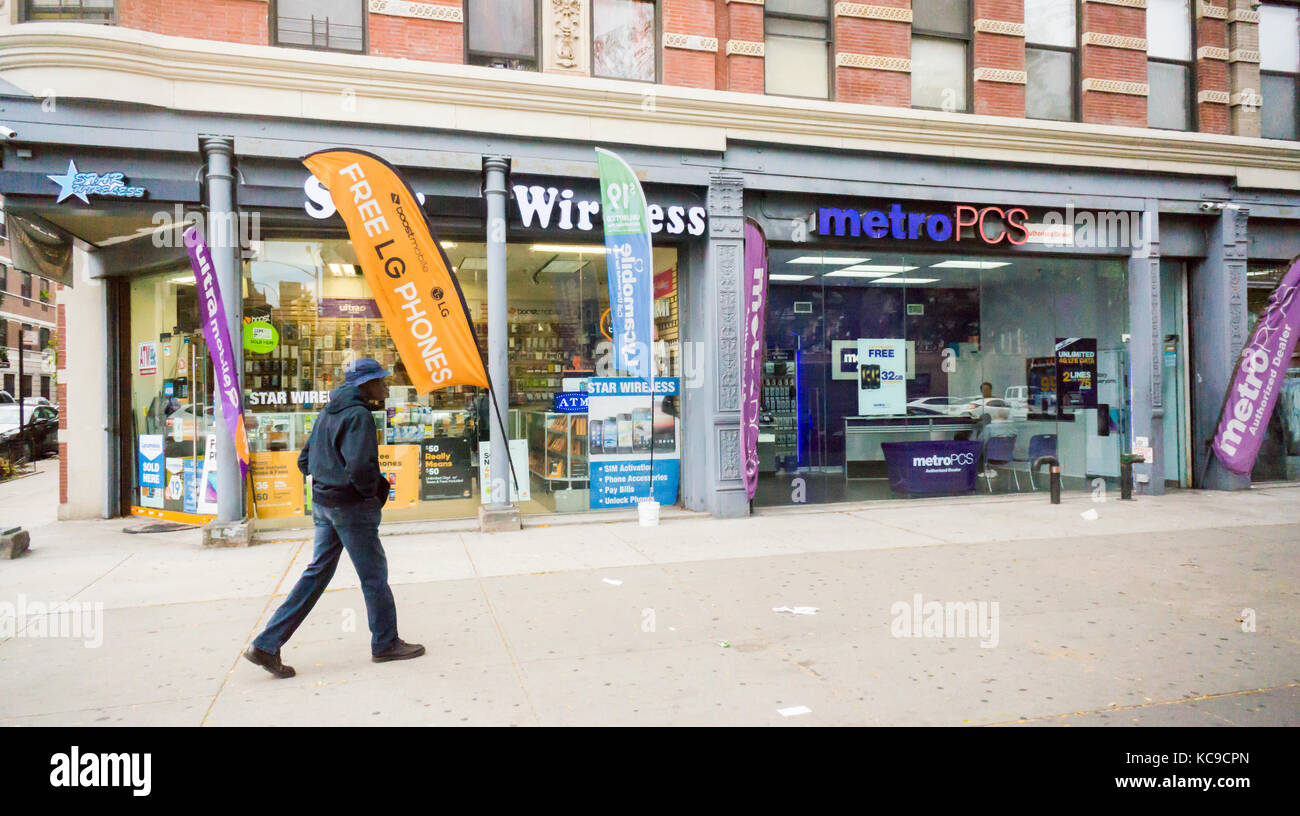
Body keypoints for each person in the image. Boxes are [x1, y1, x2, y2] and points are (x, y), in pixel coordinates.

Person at [244, 357, 424, 678]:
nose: (385, 385)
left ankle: (266, 643)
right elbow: (360, 468)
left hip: (325, 504)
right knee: (373, 576)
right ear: (364, 385)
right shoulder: (359, 416)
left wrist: (329, 478)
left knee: (316, 574)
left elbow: (304, 461)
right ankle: (385, 642)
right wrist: (374, 493)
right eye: (380, 380)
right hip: (351, 507)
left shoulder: (328, 411)